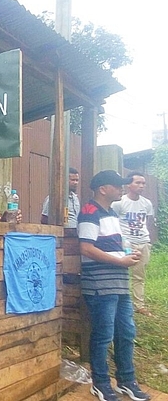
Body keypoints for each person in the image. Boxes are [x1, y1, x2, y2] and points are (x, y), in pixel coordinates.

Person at [78, 170, 150, 401]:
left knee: (126, 333)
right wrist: (120, 260)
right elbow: (86, 249)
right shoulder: (90, 212)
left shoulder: (110, 213)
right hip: (100, 285)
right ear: (103, 189)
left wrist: (130, 254)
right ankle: (100, 383)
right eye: (118, 186)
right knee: (103, 334)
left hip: (119, 284)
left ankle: (127, 380)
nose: (122, 189)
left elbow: (112, 246)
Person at [112, 171, 155, 317]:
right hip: (126, 243)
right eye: (138, 182)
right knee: (122, 273)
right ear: (129, 184)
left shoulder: (146, 203)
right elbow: (113, 222)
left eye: (143, 183)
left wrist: (148, 241)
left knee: (139, 276)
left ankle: (139, 305)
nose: (141, 186)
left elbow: (147, 222)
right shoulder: (119, 203)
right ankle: (120, 303)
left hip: (143, 242)